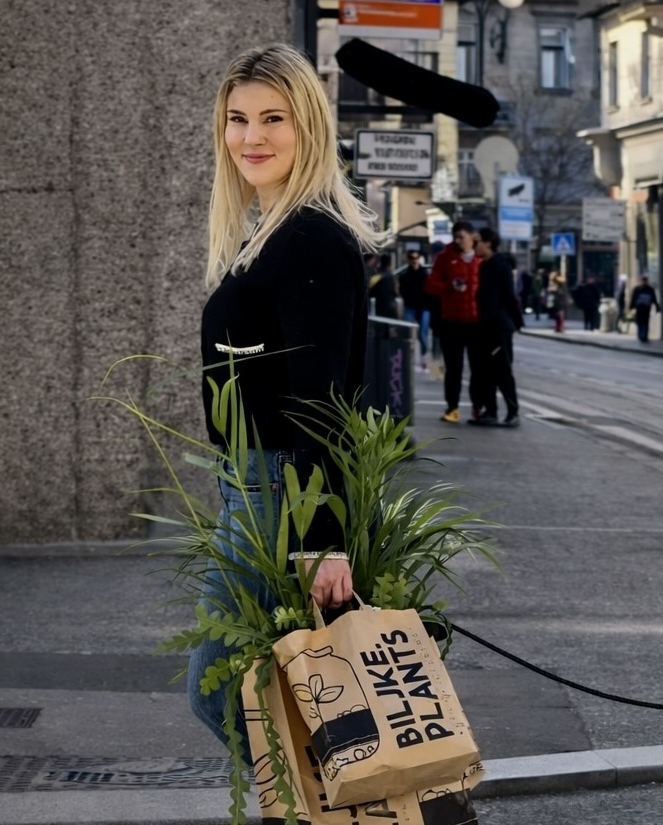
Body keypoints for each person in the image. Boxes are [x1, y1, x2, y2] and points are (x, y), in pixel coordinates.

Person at [191, 43, 381, 757]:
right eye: (237, 119)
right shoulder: (270, 232)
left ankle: (336, 803)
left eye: (274, 118)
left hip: (278, 493)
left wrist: (322, 539)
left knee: (219, 690)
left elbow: (321, 399)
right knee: (281, 696)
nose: (251, 137)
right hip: (254, 486)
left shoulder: (307, 239)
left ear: (309, 127)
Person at [425, 221, 482, 423]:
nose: (458, 241)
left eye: (462, 237)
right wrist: (449, 286)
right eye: (455, 237)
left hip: (477, 322)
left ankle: (478, 408)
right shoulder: (445, 258)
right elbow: (431, 285)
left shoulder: (481, 258)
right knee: (453, 368)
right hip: (452, 321)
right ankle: (452, 407)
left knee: (478, 368)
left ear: (472, 237)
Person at [467, 227, 523, 427]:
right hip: (483, 326)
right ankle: (490, 411)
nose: (474, 246)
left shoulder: (500, 265)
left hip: (498, 326)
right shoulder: (484, 265)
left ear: (488, 243)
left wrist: (517, 321)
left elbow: (509, 296)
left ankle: (512, 412)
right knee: (485, 371)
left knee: (502, 370)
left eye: (477, 242)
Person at [395, 248, 433, 369]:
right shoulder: (405, 275)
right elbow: (401, 291)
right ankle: (408, 358)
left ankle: (424, 357)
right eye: (412, 258)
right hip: (410, 306)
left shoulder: (425, 274)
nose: (414, 260)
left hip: (424, 307)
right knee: (408, 333)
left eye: (416, 258)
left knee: (422, 334)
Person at [367, 253, 399, 321]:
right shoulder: (390, 275)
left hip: (379, 303)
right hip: (389, 303)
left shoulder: (376, 273)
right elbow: (394, 290)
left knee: (380, 324)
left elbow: (371, 288)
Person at [629, 275, 660, 343]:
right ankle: (641, 335)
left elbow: (654, 298)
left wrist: (657, 306)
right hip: (639, 308)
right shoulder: (637, 289)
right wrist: (631, 306)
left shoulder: (650, 289)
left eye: (645, 281)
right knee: (639, 322)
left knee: (646, 322)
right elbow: (633, 298)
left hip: (646, 308)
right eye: (642, 281)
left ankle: (644, 336)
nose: (643, 282)